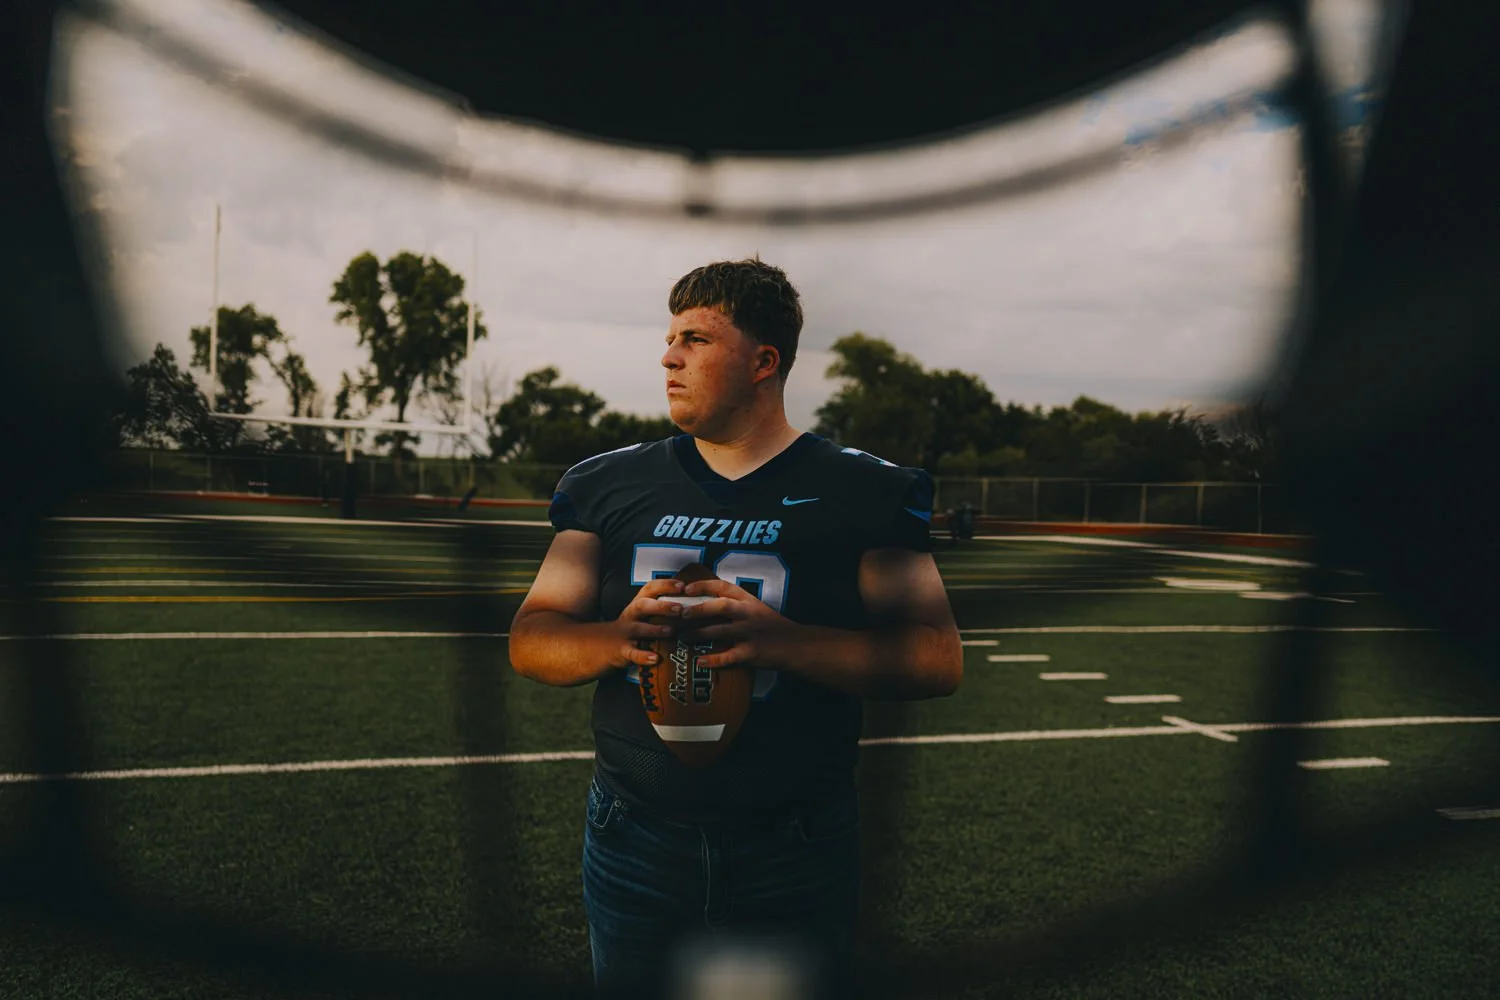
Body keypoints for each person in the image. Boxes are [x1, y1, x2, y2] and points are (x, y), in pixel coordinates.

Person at [508, 259, 963, 997]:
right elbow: (531, 636)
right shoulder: (606, 482)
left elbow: (937, 658)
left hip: (796, 840)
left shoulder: (866, 489)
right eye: (668, 337)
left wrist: (781, 641)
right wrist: (616, 637)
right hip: (635, 832)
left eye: (695, 338)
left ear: (763, 361)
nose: (668, 355)